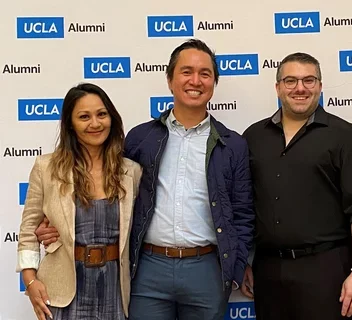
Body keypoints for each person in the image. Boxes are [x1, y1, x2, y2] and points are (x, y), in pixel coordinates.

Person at [36, 39, 255, 320]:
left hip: (207, 270)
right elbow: (104, 190)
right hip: (148, 269)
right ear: (169, 79)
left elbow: (243, 213)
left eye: (205, 74)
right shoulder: (141, 138)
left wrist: (235, 271)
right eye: (186, 72)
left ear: (214, 83)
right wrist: (53, 223)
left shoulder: (232, 144)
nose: (195, 81)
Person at [241, 52, 352, 320]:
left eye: (309, 80)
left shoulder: (344, 135)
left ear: (320, 86)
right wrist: (243, 262)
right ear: (278, 87)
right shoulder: (253, 136)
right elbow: (245, 206)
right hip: (267, 270)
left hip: (326, 270)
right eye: (290, 81)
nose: (300, 88)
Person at [16, 83, 142, 320]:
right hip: (64, 290)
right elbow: (28, 232)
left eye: (101, 114)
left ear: (112, 118)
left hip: (116, 289)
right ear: (70, 124)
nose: (95, 123)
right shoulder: (46, 169)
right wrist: (30, 281)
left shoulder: (131, 171)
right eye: (84, 117)